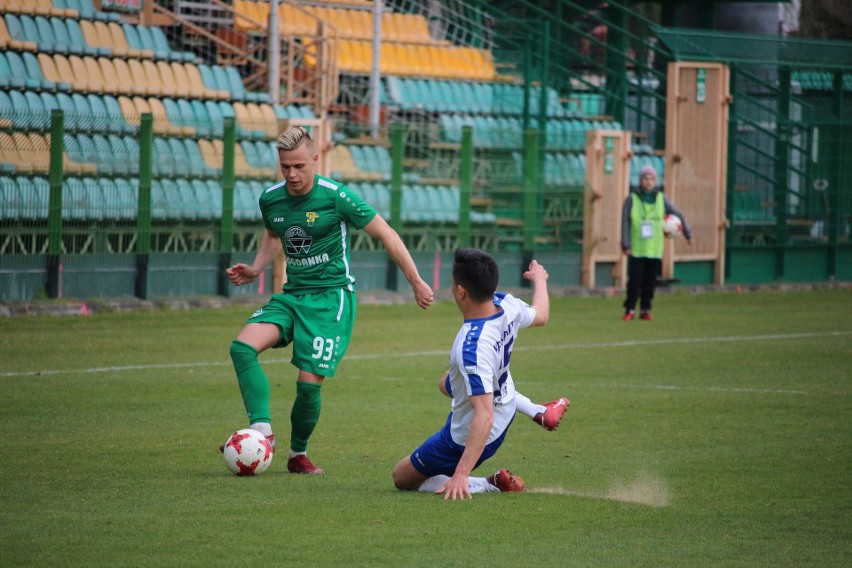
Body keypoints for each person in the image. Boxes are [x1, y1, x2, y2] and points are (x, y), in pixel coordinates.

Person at [223, 126, 434, 475]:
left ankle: (297, 455)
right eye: (285, 166)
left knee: (308, 386)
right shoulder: (271, 199)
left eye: (299, 166)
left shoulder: (336, 197)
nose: (292, 174)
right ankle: (262, 433)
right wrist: (257, 269)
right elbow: (274, 232)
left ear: (315, 160)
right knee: (241, 348)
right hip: (292, 296)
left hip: (330, 300)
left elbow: (386, 233)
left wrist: (416, 281)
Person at [392, 248, 565, 499]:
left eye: (452, 285)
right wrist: (540, 280)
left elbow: (484, 416)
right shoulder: (506, 302)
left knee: (402, 477)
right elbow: (542, 315)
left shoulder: (471, 349)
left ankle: (488, 483)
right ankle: (538, 411)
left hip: (467, 437)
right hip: (504, 402)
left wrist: (461, 473)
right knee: (446, 383)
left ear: (461, 291)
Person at [620, 164, 692, 321]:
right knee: (635, 281)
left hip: (655, 249)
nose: (648, 182)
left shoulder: (661, 198)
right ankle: (630, 309)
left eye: (651, 179)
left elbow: (678, 213)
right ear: (640, 180)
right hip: (637, 248)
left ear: (655, 181)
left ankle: (645, 309)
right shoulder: (631, 199)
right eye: (645, 178)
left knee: (649, 282)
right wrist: (625, 244)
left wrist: (687, 232)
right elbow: (625, 222)